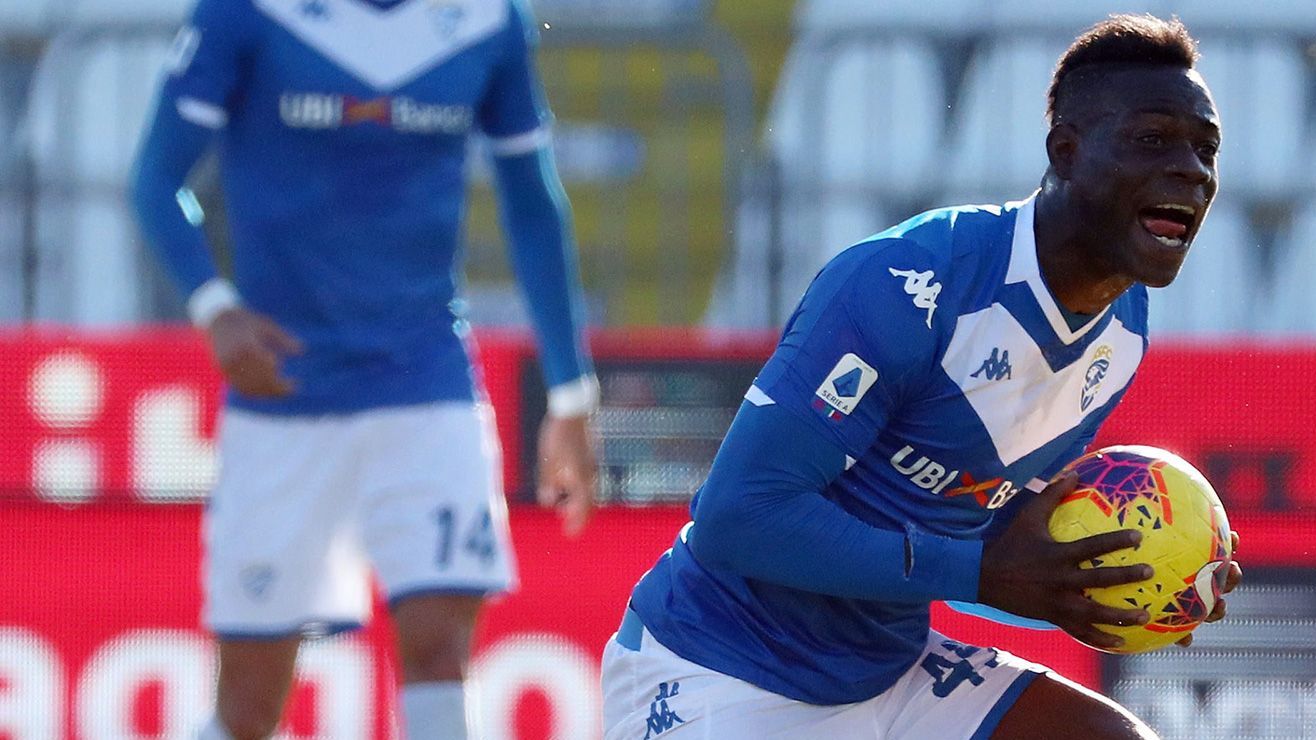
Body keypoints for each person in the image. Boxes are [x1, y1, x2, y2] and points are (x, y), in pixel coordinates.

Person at [602, 14, 1243, 740]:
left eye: (1206, 149)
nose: (1192, 170)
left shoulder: (1123, 329)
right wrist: (981, 573)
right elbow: (737, 517)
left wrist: (1115, 582)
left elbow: (982, 543)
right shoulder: (910, 283)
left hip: (889, 670)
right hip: (719, 667)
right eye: (1154, 140)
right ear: (1065, 151)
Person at [130, 0, 599, 737]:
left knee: (440, 650)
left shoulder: (487, 19)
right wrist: (215, 309)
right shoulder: (243, 12)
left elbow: (533, 201)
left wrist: (570, 395)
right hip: (285, 393)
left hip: (427, 383)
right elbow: (155, 177)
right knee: (249, 706)